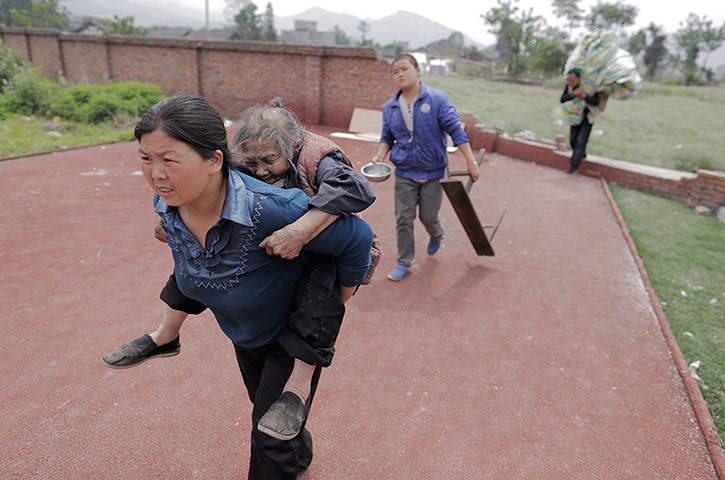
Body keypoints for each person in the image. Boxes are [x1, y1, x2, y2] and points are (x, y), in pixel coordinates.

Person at [121, 94, 373, 478]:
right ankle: (167, 335)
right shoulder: (197, 192)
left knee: (270, 427)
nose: (259, 171)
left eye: (269, 161)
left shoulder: (315, 161)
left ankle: (299, 387)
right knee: (266, 407)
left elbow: (356, 206)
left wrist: (303, 231)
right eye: (248, 162)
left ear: (290, 150)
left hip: (320, 253)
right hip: (255, 303)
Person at [371, 52, 480, 282]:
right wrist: (380, 155)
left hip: (433, 172)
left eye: (404, 69)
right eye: (394, 71)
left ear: (418, 70)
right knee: (403, 218)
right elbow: (386, 137)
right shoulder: (390, 107)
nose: (399, 74)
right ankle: (404, 261)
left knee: (428, 217)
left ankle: (437, 233)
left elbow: (456, 132)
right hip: (405, 172)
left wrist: (471, 162)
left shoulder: (437, 99)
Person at [560, 68, 602, 174]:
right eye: (568, 80)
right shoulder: (570, 87)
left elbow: (596, 102)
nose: (570, 83)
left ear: (579, 78)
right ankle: (581, 154)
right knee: (573, 139)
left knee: (581, 140)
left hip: (588, 116)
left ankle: (574, 165)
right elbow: (562, 99)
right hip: (575, 116)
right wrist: (573, 94)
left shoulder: (589, 88)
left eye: (572, 80)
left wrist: (584, 96)